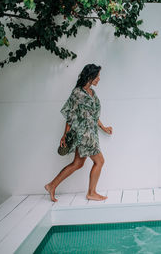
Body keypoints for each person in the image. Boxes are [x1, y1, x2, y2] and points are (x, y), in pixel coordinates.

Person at [44, 64, 113, 202]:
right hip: (83, 135)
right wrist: (65, 135)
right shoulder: (77, 93)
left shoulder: (92, 93)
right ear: (90, 76)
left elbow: (92, 115)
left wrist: (104, 128)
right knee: (99, 161)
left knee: (77, 164)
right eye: (97, 76)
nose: (99, 79)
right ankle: (91, 192)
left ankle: (52, 185)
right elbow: (70, 116)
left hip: (91, 134)